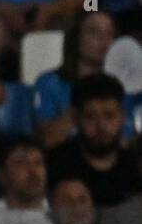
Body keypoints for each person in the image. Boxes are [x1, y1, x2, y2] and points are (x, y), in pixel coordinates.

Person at [32, 11, 128, 148]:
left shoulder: (125, 86)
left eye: (109, 33)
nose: (104, 39)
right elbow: (47, 139)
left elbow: (129, 141)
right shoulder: (49, 82)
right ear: (76, 37)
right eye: (94, 31)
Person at [46, 73, 142, 208]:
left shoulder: (135, 167)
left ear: (122, 116)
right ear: (75, 118)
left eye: (109, 116)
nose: (101, 126)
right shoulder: (54, 165)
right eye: (90, 117)